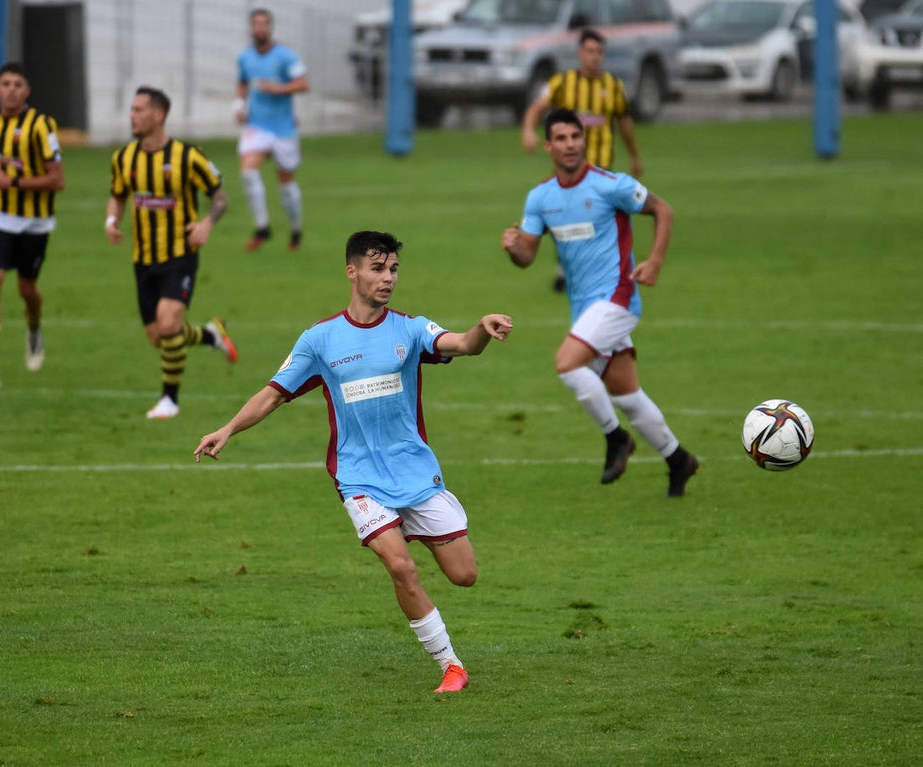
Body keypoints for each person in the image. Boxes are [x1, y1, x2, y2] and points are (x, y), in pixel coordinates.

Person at [194, 231, 513, 693]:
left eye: (394, 270)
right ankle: (451, 666)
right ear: (352, 271)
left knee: (465, 575)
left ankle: (408, 525)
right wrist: (227, 428)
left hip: (414, 472)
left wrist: (482, 328)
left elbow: (462, 344)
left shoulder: (409, 328)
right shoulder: (320, 340)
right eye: (378, 268)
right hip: (359, 478)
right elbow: (272, 394)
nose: (388, 278)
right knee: (401, 568)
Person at [501, 108, 699, 498]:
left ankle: (615, 440)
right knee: (628, 395)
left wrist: (655, 260)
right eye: (561, 138)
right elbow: (526, 257)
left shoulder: (611, 185)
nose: (570, 144)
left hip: (618, 299)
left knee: (566, 362)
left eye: (575, 136)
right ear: (548, 146)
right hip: (585, 310)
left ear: (583, 140)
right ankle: (680, 461)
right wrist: (513, 248)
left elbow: (663, 209)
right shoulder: (541, 197)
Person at [105, 87, 238, 420]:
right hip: (143, 259)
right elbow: (118, 194)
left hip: (180, 255)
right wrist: (111, 220)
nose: (132, 115)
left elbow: (220, 197)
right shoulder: (124, 158)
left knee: (168, 324)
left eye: (139, 110)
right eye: (131, 109)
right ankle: (211, 335)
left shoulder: (188, 156)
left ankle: (170, 400)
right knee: (158, 336)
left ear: (158, 115)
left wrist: (207, 222)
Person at [519, 28, 642, 293]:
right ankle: (566, 267)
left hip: (601, 167)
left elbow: (624, 123)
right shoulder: (563, 83)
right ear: (579, 54)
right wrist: (528, 130)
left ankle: (596, 269)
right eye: (589, 51)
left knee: (600, 220)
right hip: (568, 170)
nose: (594, 57)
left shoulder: (613, 87)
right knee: (563, 216)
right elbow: (537, 107)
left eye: (598, 52)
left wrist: (634, 155)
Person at [0, 62, 65, 390]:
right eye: (5, 84)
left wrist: (9, 181)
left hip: (35, 223)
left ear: (27, 92)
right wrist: (3, 186)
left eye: (18, 84)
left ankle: (34, 327)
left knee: (27, 290)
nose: (11, 89)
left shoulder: (42, 126)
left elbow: (58, 180)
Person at [234, 7, 309, 252]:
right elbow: (242, 82)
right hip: (257, 125)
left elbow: (303, 83)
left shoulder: (286, 56)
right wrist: (238, 105)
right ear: (251, 28)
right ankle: (262, 227)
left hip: (283, 127)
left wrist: (279, 89)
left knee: (285, 182)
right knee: (247, 170)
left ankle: (296, 230)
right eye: (256, 24)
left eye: (264, 24)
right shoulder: (245, 57)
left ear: (271, 27)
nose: (260, 28)